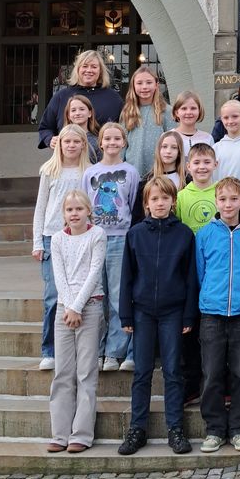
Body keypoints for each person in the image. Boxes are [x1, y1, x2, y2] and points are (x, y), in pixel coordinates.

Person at [117, 177, 198, 456]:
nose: (160, 203)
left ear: (173, 202)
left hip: (173, 311)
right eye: (154, 199)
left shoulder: (185, 235)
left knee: (174, 371)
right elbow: (127, 277)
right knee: (141, 372)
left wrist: (189, 315)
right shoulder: (135, 234)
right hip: (142, 313)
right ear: (146, 203)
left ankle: (175, 428)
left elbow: (190, 279)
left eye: (165, 198)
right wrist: (125, 313)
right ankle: (137, 429)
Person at [196, 177, 240, 453]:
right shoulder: (205, 233)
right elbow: (200, 272)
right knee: (212, 372)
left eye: (233, 199)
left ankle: (238, 428)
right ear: (216, 201)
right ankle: (214, 429)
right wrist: (211, 294)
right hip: (212, 312)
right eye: (223, 199)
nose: (228, 204)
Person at [46, 190, 106, 454]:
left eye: (79, 209)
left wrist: (78, 306)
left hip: (90, 307)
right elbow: (59, 275)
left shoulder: (97, 235)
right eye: (69, 210)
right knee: (63, 373)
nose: (74, 214)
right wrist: (69, 307)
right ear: (64, 214)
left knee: (85, 372)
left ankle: (81, 433)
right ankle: (59, 433)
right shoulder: (58, 239)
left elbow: (94, 272)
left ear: (88, 211)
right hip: (64, 311)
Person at [32, 125, 91, 371]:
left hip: (79, 238)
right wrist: (37, 241)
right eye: (67, 142)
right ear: (60, 144)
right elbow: (41, 207)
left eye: (76, 142)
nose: (71, 146)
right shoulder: (49, 171)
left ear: (83, 145)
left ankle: (82, 349)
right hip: (51, 236)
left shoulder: (88, 171)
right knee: (53, 296)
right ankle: (50, 350)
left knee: (80, 295)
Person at [84, 123, 140, 371]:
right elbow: (85, 207)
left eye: (117, 138)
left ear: (124, 142)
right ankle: (97, 349)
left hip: (120, 238)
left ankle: (114, 351)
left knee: (118, 297)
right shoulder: (90, 173)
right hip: (96, 238)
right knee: (97, 296)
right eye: (107, 138)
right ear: (100, 142)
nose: (112, 142)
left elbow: (131, 204)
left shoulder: (130, 172)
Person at [175, 142, 218, 404]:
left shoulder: (221, 192)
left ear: (215, 165)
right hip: (190, 269)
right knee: (190, 329)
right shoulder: (181, 196)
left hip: (216, 269)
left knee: (213, 330)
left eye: (206, 162)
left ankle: (217, 382)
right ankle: (191, 384)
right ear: (188, 167)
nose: (202, 167)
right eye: (197, 163)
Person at [38, 50, 123, 150]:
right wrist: (50, 139)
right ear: (77, 69)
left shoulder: (113, 98)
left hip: (103, 160)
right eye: (85, 66)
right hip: (68, 159)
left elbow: (125, 129)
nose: (89, 70)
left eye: (94, 67)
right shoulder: (61, 96)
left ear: (100, 71)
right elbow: (45, 127)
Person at [121, 66, 176, 177]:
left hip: (159, 171)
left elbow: (174, 141)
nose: (144, 87)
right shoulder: (127, 112)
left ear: (156, 85)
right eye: (140, 83)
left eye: (149, 82)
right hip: (132, 170)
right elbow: (122, 142)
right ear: (133, 86)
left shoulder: (166, 111)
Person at [131, 130, 188, 225]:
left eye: (174, 147)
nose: (168, 151)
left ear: (179, 152)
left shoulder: (187, 181)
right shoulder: (146, 182)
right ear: (158, 150)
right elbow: (138, 217)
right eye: (164, 147)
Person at [171, 90, 214, 157]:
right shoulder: (168, 137)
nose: (188, 112)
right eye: (184, 108)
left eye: (193, 108)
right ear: (177, 112)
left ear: (199, 111)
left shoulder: (207, 138)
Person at [61, 94, 102, 164]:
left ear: (90, 113)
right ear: (68, 116)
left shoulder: (97, 141)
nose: (77, 113)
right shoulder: (61, 139)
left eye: (82, 109)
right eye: (73, 110)